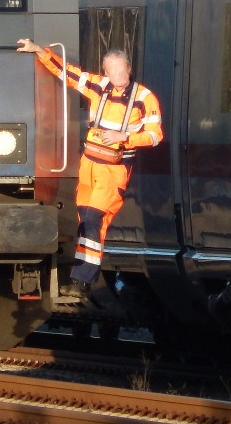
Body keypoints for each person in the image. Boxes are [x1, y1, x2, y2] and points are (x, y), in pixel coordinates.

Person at [16, 40, 163, 302]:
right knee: (85, 220)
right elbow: (68, 73)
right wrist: (40, 51)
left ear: (129, 68)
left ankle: (82, 280)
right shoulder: (99, 86)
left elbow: (155, 136)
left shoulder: (144, 98)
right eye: (112, 71)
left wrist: (124, 137)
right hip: (89, 166)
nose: (118, 76)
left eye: (122, 70)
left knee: (95, 220)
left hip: (114, 170)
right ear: (105, 72)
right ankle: (79, 279)